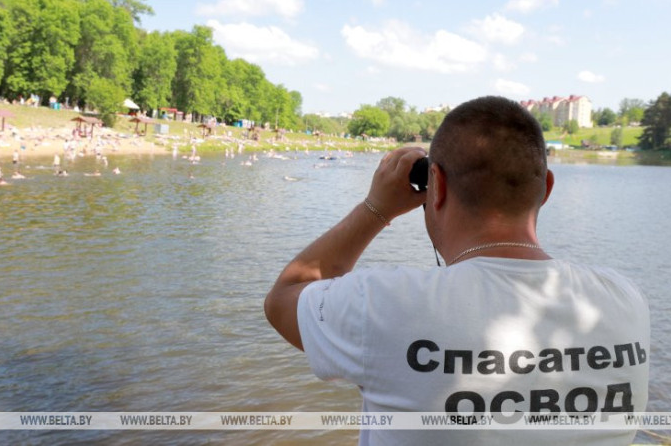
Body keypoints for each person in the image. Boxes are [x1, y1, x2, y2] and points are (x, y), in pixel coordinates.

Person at [264, 96, 649, 445]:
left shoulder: (386, 304)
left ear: (437, 184)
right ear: (546, 189)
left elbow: (286, 296)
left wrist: (376, 208)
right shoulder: (624, 300)